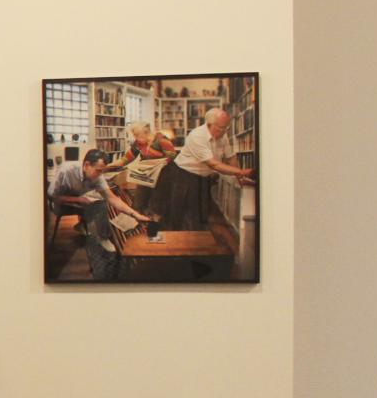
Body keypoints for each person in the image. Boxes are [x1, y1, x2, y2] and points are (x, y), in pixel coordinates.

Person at [50, 150, 154, 280]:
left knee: (102, 202)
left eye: (102, 171)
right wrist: (78, 200)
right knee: (96, 209)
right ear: (86, 165)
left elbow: (112, 199)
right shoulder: (67, 170)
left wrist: (135, 215)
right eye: (98, 170)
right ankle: (100, 247)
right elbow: (53, 197)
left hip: (81, 197)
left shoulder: (97, 175)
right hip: (64, 202)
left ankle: (101, 240)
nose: (100, 175)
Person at [147, 108, 255, 230]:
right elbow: (214, 164)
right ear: (209, 125)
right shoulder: (197, 136)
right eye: (221, 128)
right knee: (178, 212)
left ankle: (196, 241)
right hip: (183, 175)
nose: (225, 131)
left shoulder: (222, 134)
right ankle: (173, 240)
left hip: (202, 177)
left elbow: (231, 158)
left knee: (201, 214)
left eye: (226, 127)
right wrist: (242, 172)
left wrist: (240, 178)